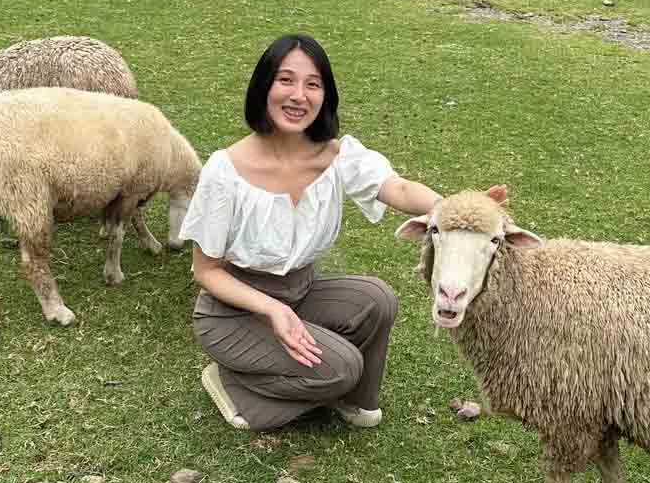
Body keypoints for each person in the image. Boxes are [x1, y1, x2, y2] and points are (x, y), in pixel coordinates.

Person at [182, 33, 506, 433]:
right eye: (285, 80)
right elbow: (206, 271)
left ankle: (354, 403)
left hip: (299, 293)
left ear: (325, 97)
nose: (298, 95)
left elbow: (400, 189)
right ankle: (235, 386)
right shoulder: (224, 170)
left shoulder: (337, 156)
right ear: (263, 86)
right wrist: (272, 309)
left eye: (312, 84)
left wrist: (460, 209)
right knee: (343, 367)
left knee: (376, 299)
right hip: (233, 313)